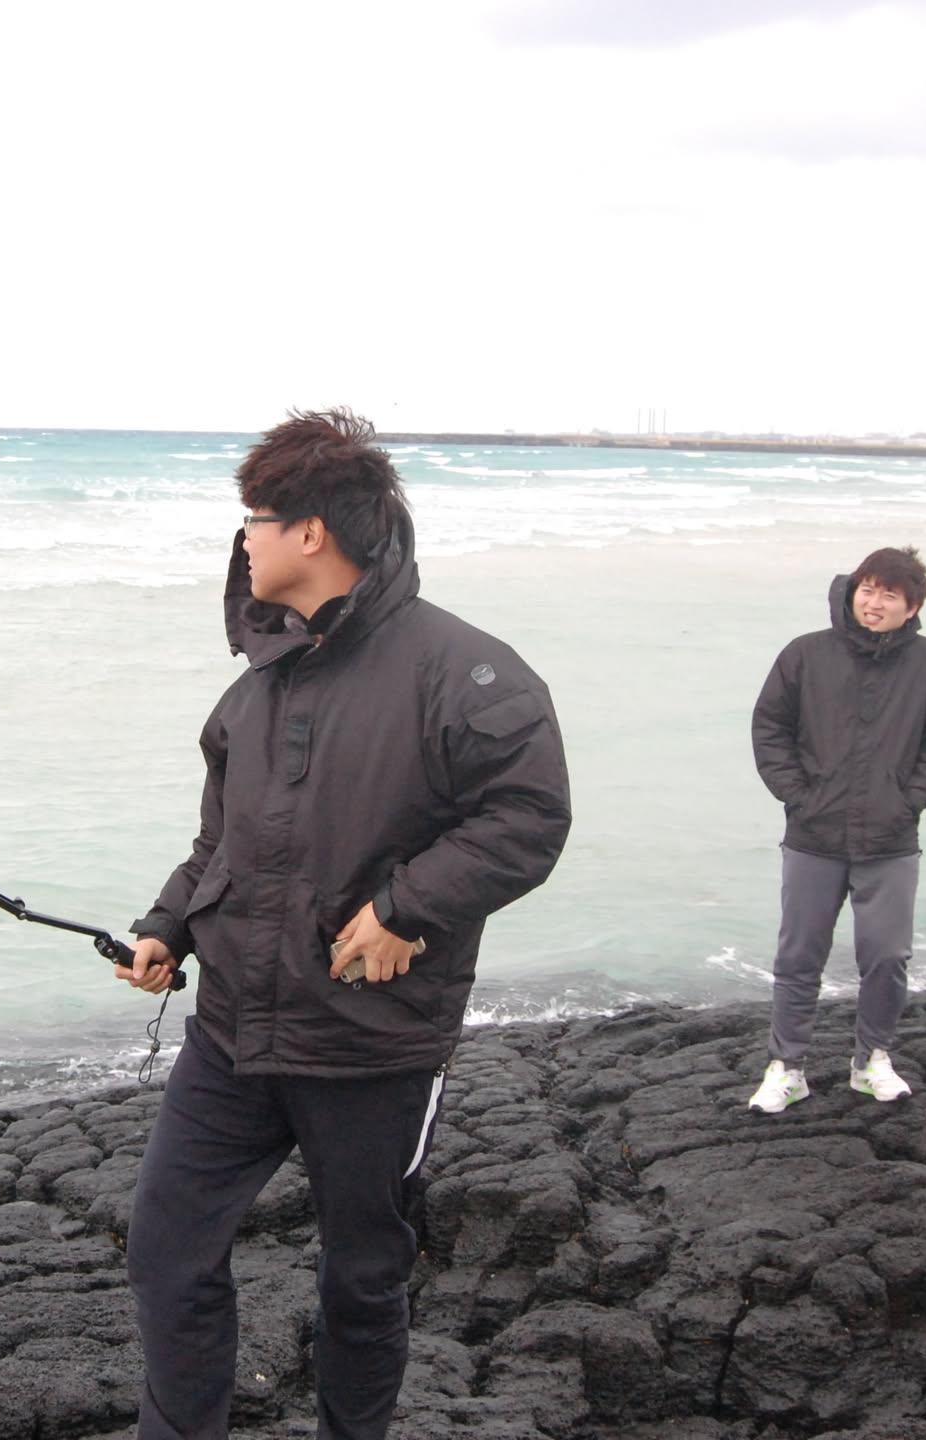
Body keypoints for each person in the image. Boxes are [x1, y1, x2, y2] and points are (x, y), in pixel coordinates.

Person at [115, 408, 572, 1440]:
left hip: (372, 1044)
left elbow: (528, 818)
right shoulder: (256, 686)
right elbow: (221, 843)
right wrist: (167, 927)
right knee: (166, 1251)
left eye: (255, 519)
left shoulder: (466, 672)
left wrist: (409, 907)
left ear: (311, 532)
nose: (244, 540)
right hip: (233, 1035)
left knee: (362, 1278)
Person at [746, 545, 926, 1114]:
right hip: (813, 836)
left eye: (889, 595)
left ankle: (871, 1061)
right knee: (799, 958)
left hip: (890, 839)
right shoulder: (805, 654)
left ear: (911, 607)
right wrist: (798, 796)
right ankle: (787, 1067)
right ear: (852, 593)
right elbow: (770, 728)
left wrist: (910, 801)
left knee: (887, 956)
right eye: (867, 589)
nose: (874, 602)